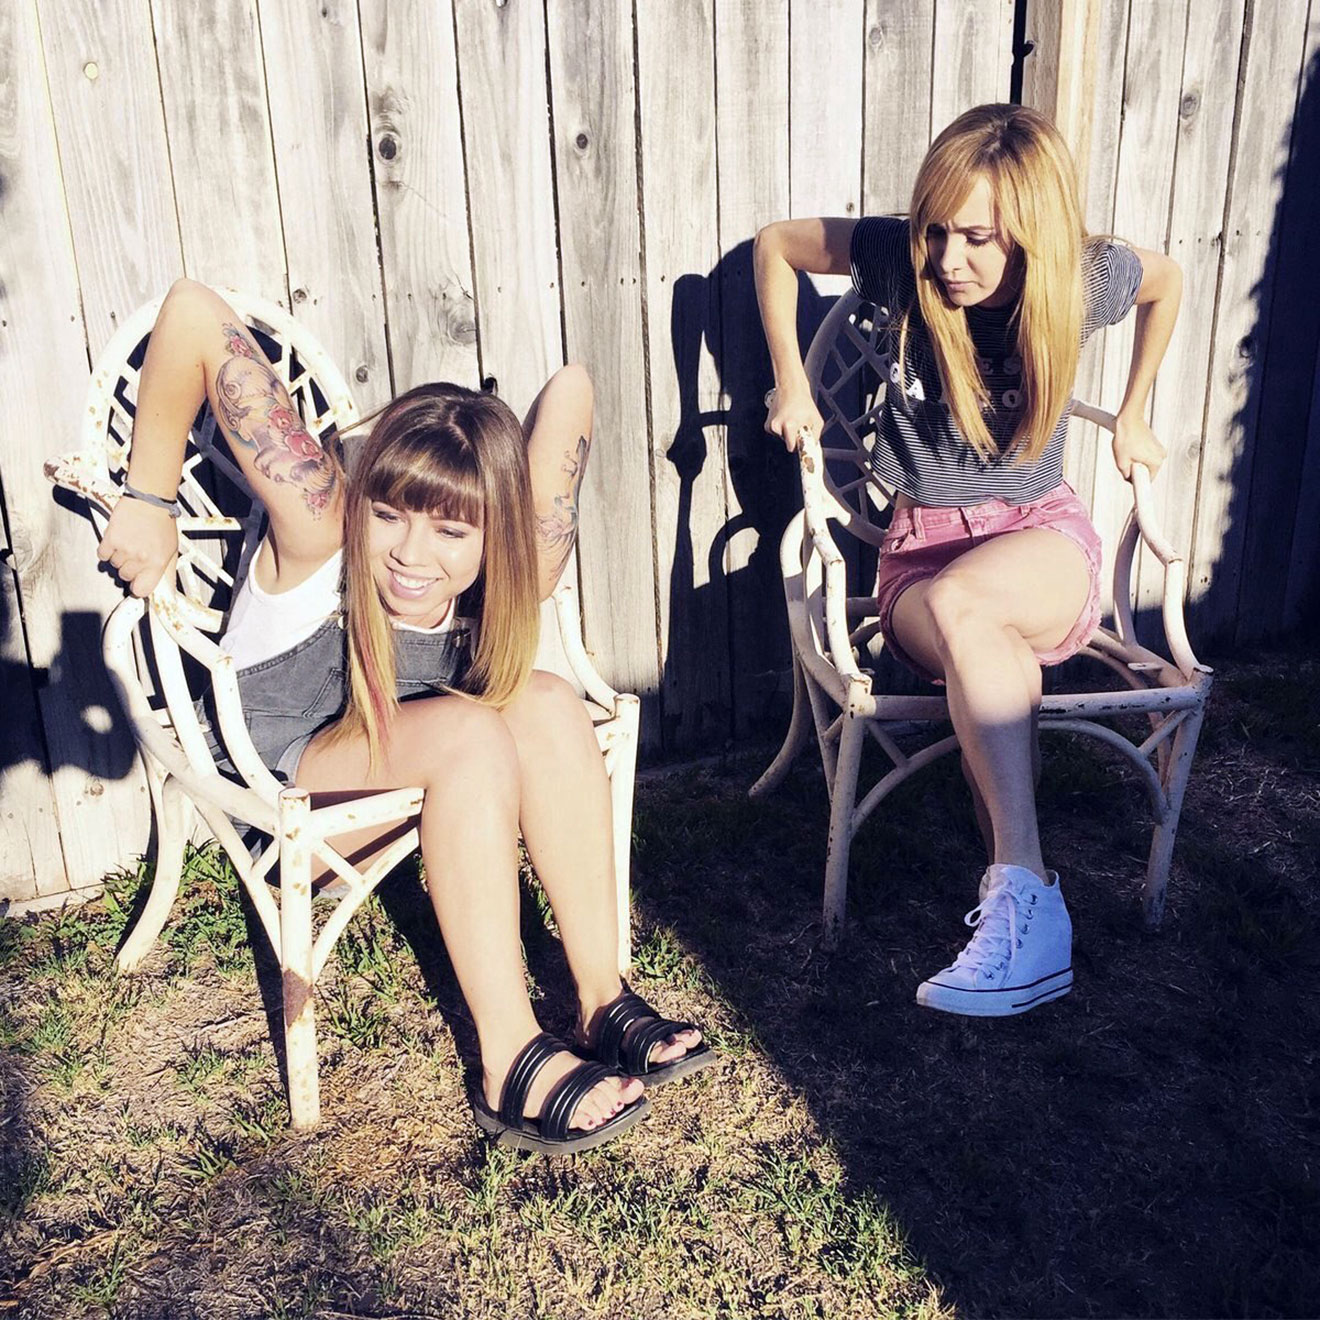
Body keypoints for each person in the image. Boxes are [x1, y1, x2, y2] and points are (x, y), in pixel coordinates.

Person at [95, 278, 713, 1151]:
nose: (412, 556)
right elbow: (193, 311)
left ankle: (601, 996)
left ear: (494, 530)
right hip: (285, 772)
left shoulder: (513, 559)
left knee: (545, 701)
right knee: (471, 732)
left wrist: (508, 472)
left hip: (405, 750)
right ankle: (509, 1054)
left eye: (453, 532)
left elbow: (573, 388)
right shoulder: (323, 529)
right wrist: (148, 499)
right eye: (389, 516)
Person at [753, 103, 1181, 1017]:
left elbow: (1168, 282)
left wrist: (1136, 410)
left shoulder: (1083, 280)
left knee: (975, 609)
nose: (948, 259)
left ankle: (1022, 898)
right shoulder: (899, 261)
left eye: (978, 238)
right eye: (937, 230)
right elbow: (777, 246)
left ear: (1031, 233)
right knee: (968, 615)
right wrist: (791, 381)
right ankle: (1030, 905)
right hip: (922, 557)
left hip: (1041, 536)